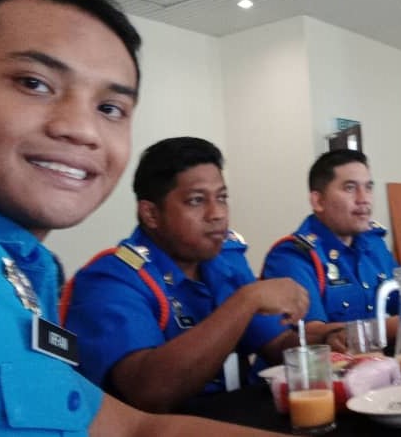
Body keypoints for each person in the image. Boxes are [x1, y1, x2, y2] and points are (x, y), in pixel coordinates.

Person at [0, 0, 277, 435]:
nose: (82, 129)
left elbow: (135, 430)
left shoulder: (13, 266)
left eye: (109, 108)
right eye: (35, 83)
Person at [61, 137, 309, 412]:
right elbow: (150, 392)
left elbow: (275, 345)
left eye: (222, 198)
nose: (217, 214)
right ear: (151, 214)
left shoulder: (226, 262)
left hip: (238, 418)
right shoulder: (110, 280)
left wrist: (331, 338)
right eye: (196, 201)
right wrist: (246, 301)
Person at [261, 149, 399, 348]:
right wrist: (399, 326)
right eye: (350, 188)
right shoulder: (293, 255)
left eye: (368, 187)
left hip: (377, 362)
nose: (364, 199)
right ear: (318, 201)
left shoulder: (374, 244)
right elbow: (313, 336)